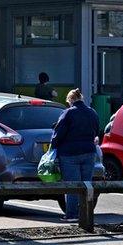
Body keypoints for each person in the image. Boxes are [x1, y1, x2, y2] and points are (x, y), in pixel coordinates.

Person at [51, 88, 100, 222]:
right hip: (89, 152)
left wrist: (52, 148)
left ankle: (72, 215)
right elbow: (96, 130)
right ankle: (85, 214)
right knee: (86, 185)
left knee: (72, 185)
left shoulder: (68, 113)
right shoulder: (92, 112)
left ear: (71, 100)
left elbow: (58, 134)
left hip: (69, 154)